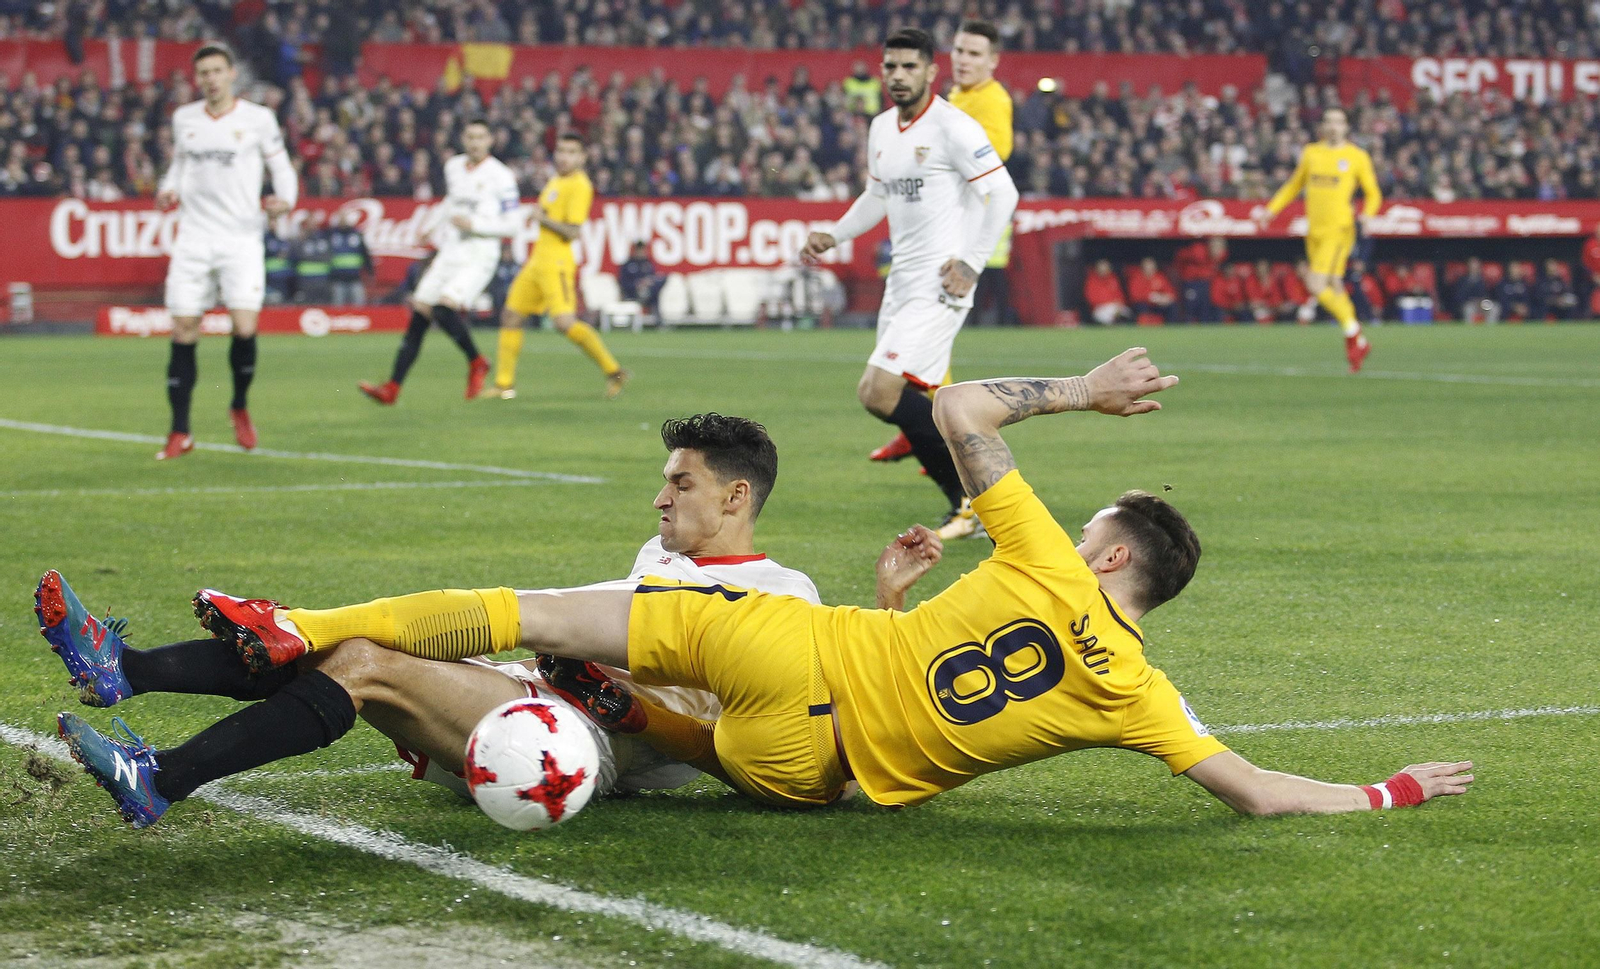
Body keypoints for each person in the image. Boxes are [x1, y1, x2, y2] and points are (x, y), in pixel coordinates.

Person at [170, 348, 1474, 817]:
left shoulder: (1028, 547)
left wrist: (1084, 392)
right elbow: (1256, 793)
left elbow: (954, 402)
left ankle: (315, 625)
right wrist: (1389, 786)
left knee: (537, 613)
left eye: (1094, 527)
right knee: (707, 742)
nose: (1076, 537)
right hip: (811, 777)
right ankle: (635, 717)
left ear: (1114, 551)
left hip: (799, 656)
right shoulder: (1140, 692)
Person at [45, 415, 943, 828]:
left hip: (587, 749)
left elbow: (820, 710)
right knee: (375, 646)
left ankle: (160, 777)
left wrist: (888, 606)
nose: (662, 495)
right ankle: (121, 668)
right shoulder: (658, 554)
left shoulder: (781, 589)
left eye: (683, 483)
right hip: (541, 696)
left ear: (736, 495)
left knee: (362, 661)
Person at [801, 28, 1018, 541]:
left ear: (929, 72)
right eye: (890, 67)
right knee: (928, 400)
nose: (898, 76)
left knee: (879, 391)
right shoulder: (881, 128)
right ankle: (980, 500)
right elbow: (877, 196)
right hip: (902, 282)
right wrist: (835, 232)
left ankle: (974, 498)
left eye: (908, 67)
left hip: (941, 283)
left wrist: (970, 261)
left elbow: (1003, 194)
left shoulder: (953, 127)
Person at [870, 19, 1017, 480]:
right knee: (929, 351)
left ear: (993, 62)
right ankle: (920, 423)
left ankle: (936, 431)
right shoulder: (956, 100)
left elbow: (991, 167)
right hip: (949, 238)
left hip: (966, 240)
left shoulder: (989, 102)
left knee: (928, 342)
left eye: (975, 54)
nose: (964, 60)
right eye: (959, 51)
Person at [153, 44, 297, 460]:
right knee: (183, 331)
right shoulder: (185, 119)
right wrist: (169, 188)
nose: (211, 79)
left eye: (217, 71)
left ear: (232, 74)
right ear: (197, 79)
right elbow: (180, 166)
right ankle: (180, 431)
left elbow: (282, 167)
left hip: (240, 238)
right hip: (194, 238)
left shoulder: (258, 119)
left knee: (245, 327)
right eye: (204, 73)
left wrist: (285, 199)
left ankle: (238, 404)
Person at [358, 119, 514, 406]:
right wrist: (431, 224)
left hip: (479, 253)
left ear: (490, 140)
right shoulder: (454, 166)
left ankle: (477, 360)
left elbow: (512, 224)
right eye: (470, 136)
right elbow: (452, 202)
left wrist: (475, 223)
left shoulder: (501, 177)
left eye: (481, 137)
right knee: (420, 313)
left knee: (444, 306)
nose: (475, 142)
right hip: (451, 249)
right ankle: (392, 387)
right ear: (463, 139)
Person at [488, 133, 628, 401]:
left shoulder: (580, 186)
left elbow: (572, 232)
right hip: (537, 260)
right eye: (561, 151)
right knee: (511, 316)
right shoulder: (555, 180)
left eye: (571, 152)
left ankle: (614, 371)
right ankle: (504, 385)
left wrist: (542, 218)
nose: (563, 157)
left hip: (558, 262)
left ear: (582, 157)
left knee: (564, 322)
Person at [1257, 107, 1381, 372]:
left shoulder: (1356, 156)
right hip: (1315, 231)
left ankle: (1352, 334)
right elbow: (1294, 185)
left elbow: (1373, 193)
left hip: (1339, 230)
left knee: (1315, 283)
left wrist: (1368, 215)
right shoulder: (1312, 153)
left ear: (1346, 127)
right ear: (1323, 127)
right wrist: (1271, 209)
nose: (1334, 126)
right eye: (1329, 121)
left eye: (1339, 121)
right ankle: (1359, 342)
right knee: (1334, 285)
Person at [328, 210, 373, 306]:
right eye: (341, 219)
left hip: (355, 278)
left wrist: (370, 271)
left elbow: (364, 253)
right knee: (337, 308)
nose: (343, 221)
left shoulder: (356, 235)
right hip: (337, 279)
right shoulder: (331, 235)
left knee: (359, 307)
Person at [617, 240, 665, 313]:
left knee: (656, 293)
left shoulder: (648, 264)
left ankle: (658, 320)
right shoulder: (627, 265)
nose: (642, 252)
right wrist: (637, 284)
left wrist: (648, 282)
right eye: (639, 250)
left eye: (643, 250)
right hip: (632, 294)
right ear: (635, 250)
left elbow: (654, 277)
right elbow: (623, 282)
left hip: (648, 292)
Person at [1126, 256, 1176, 324]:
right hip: (1144, 304)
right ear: (1143, 267)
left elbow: (1171, 293)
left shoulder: (1160, 277)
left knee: (1172, 306)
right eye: (1147, 266)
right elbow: (1134, 296)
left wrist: (1164, 298)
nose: (1150, 269)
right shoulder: (1137, 278)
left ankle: (1171, 328)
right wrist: (1150, 297)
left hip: (1158, 304)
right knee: (1141, 306)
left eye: (1152, 266)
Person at [292, 221, 332, 305]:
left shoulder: (322, 241)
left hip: (322, 280)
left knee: (322, 305)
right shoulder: (300, 242)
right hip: (305, 281)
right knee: (306, 304)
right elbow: (294, 257)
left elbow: (328, 257)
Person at [1084, 259, 1130, 324]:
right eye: (1101, 268)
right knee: (1108, 318)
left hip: (1115, 306)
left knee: (1127, 313)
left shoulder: (1113, 279)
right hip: (1100, 308)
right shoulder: (1092, 281)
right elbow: (1091, 299)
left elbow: (1120, 295)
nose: (1103, 270)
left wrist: (1119, 302)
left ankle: (1121, 322)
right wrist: (1109, 302)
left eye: (1105, 267)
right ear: (1097, 269)